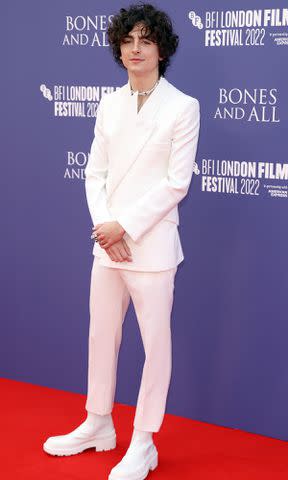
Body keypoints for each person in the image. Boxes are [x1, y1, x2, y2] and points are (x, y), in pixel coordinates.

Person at [43, 3, 200, 480]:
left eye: (145, 40)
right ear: (118, 47)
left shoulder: (182, 107)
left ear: (161, 50)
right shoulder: (109, 104)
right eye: (128, 40)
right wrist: (106, 228)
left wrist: (124, 227)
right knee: (100, 336)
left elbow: (176, 183)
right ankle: (97, 424)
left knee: (156, 346)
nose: (135, 49)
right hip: (107, 244)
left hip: (150, 248)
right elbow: (95, 172)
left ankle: (144, 441)